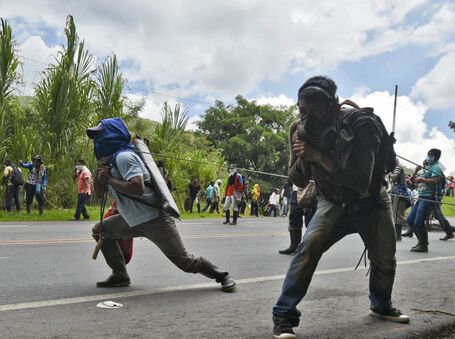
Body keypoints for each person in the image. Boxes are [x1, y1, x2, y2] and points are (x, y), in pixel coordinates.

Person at [272, 76, 408, 339]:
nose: (308, 117)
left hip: (371, 201)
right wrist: (302, 155)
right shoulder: (298, 129)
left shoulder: (362, 125)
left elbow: (360, 180)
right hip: (332, 202)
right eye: (303, 111)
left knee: (385, 259)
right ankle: (283, 315)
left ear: (333, 106)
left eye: (316, 111)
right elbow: (297, 179)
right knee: (307, 250)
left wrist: (319, 156)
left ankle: (381, 305)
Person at [86, 118, 235, 291]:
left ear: (113, 135)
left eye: (100, 135)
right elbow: (99, 194)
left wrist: (110, 178)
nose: (97, 141)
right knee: (100, 229)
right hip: (131, 219)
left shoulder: (124, 157)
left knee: (185, 261)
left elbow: (138, 187)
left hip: (154, 218)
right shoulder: (111, 162)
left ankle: (222, 275)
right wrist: (101, 175)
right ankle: (120, 275)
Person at [406, 148, 446, 252]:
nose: (428, 157)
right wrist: (416, 171)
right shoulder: (427, 168)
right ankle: (422, 242)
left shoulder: (436, 167)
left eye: (431, 155)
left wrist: (422, 179)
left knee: (419, 222)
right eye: (428, 154)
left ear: (436, 157)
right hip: (421, 197)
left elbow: (436, 180)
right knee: (410, 220)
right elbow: (413, 182)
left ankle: (423, 245)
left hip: (428, 198)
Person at [278, 184, 317, 255]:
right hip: (296, 189)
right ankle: (294, 246)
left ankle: (310, 247)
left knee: (310, 218)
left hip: (312, 188)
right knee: (294, 215)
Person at [389, 159, 411, 241]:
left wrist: (390, 174)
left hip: (399, 193)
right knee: (394, 214)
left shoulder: (397, 167)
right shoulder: (395, 168)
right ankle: (396, 235)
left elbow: (394, 178)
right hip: (396, 192)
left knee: (397, 214)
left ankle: (398, 236)